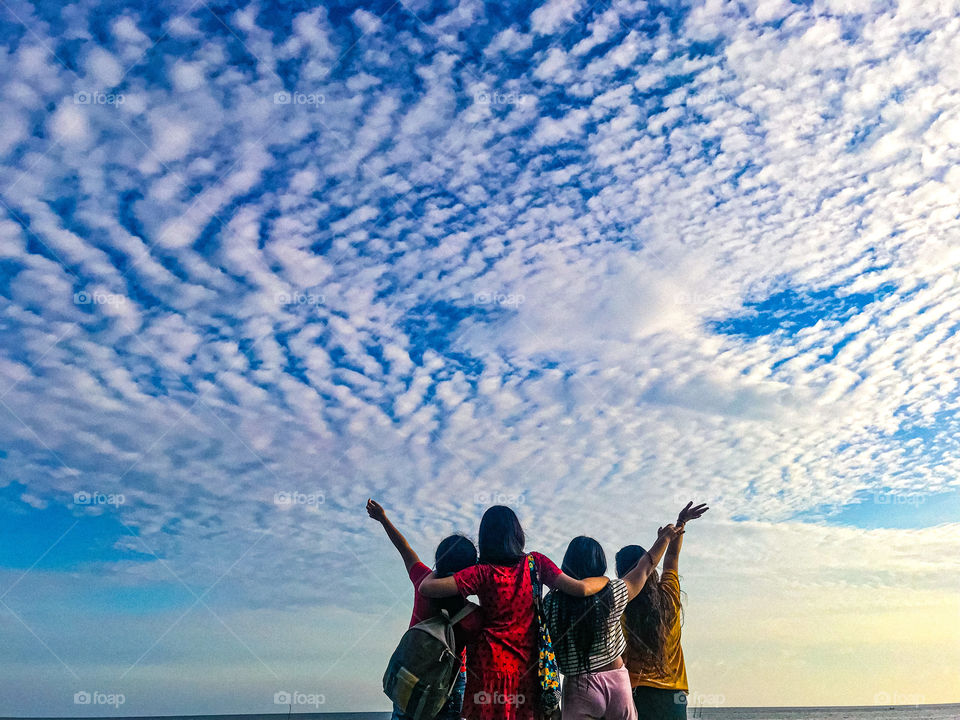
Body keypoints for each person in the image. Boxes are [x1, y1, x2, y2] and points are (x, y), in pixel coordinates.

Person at [418, 505, 611, 720]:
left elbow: (426, 588)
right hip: (527, 670)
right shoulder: (536, 563)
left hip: (486, 666)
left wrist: (438, 568)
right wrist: (605, 580)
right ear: (517, 534)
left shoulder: (480, 572)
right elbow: (581, 589)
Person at [543, 527, 683, 720]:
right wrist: (665, 538)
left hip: (578, 687)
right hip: (616, 681)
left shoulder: (551, 602)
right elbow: (645, 567)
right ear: (600, 564)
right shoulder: (612, 592)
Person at [367, 499, 480, 720]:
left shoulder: (422, 581)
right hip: (450, 683)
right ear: (470, 570)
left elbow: (404, 548)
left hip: (412, 672)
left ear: (439, 559)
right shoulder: (472, 615)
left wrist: (382, 518)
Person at [617, 502, 708, 720]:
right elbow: (672, 560)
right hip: (673, 695)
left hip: (636, 694)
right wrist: (680, 523)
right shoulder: (669, 595)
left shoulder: (621, 605)